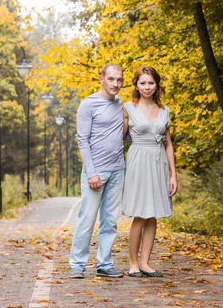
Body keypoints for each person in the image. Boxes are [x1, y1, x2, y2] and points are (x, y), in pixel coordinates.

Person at [69, 64, 126, 279]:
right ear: (101, 78)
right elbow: (82, 139)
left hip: (118, 170)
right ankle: (77, 264)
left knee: (110, 221)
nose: (115, 84)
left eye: (119, 80)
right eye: (111, 79)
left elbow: (125, 134)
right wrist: (92, 172)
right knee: (87, 218)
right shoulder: (88, 105)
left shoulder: (121, 104)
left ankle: (104, 264)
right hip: (96, 172)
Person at [122, 66, 178, 278]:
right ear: (136, 85)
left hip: (159, 162)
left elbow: (168, 144)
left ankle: (146, 262)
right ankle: (133, 263)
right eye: (143, 83)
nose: (147, 87)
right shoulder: (127, 108)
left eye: (151, 83)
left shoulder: (165, 110)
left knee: (153, 214)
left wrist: (173, 174)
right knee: (140, 214)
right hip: (138, 161)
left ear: (157, 85)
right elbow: (118, 137)